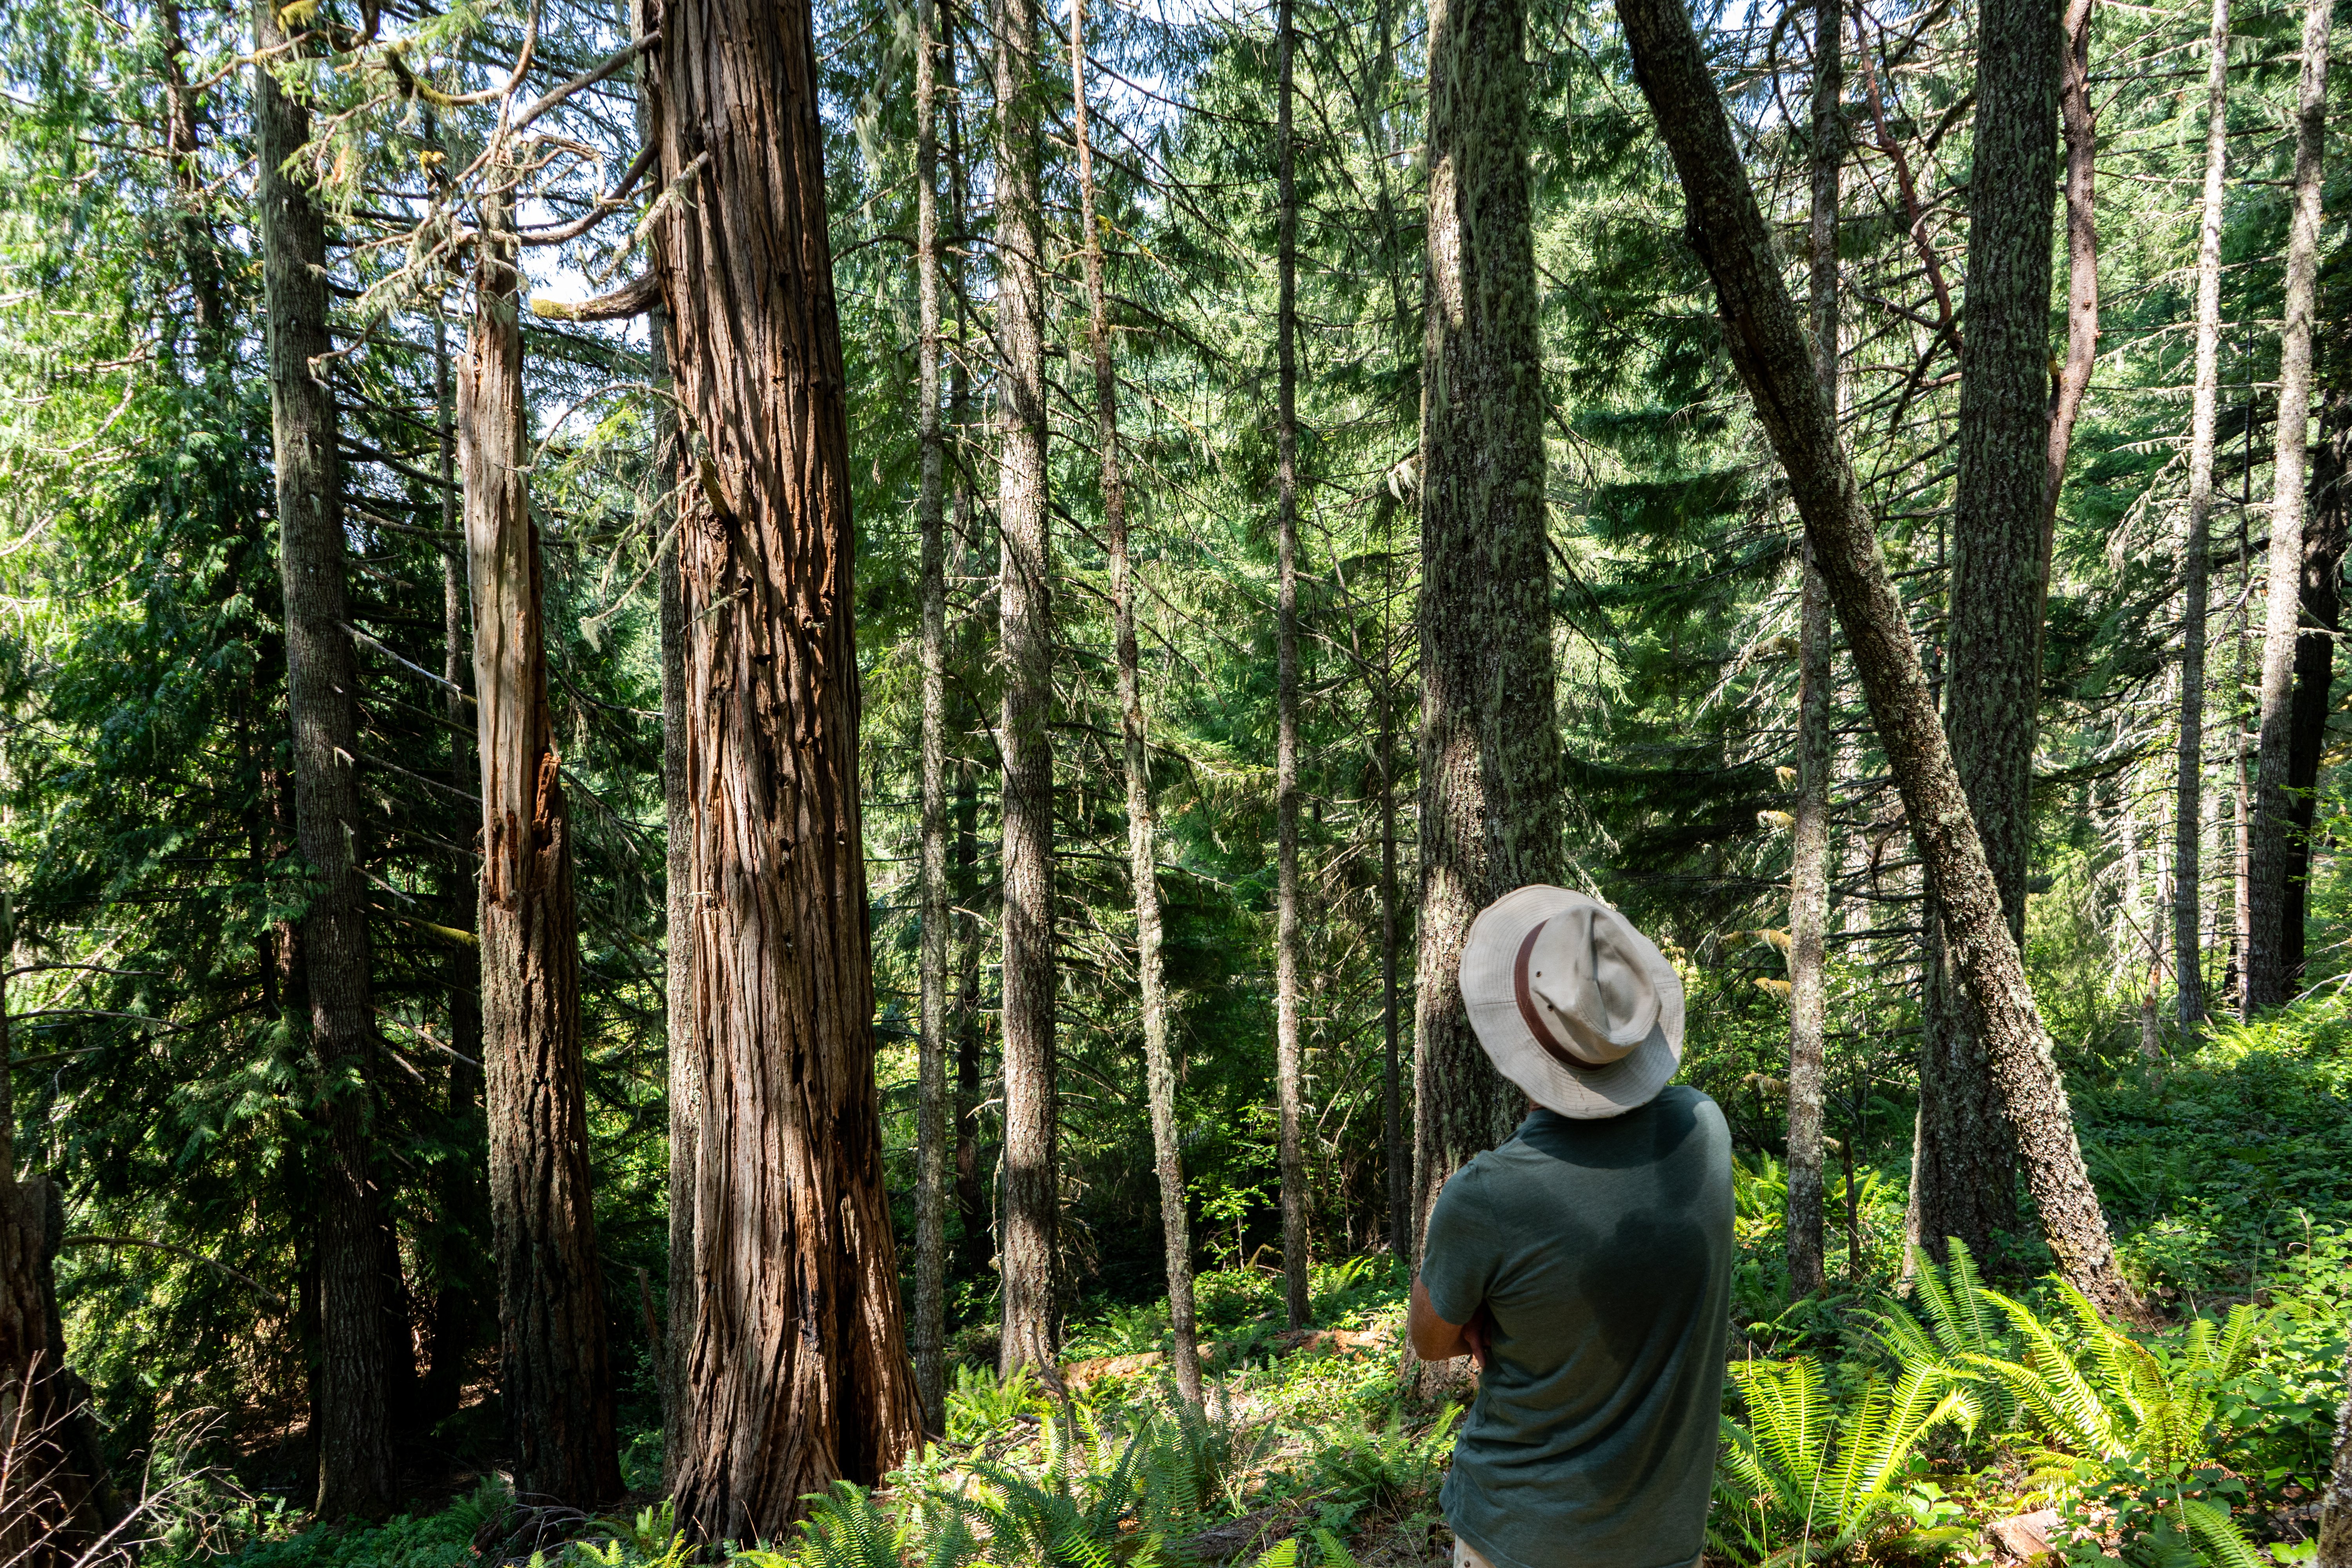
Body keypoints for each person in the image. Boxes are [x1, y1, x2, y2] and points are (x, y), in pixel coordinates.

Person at [1408, 886, 1734, 1568]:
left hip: (1519, 1538)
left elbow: (1431, 1342)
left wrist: (1475, 1303)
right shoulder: (1704, 1129)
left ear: (1518, 1038)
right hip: (1664, 1544)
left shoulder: (1489, 1196)